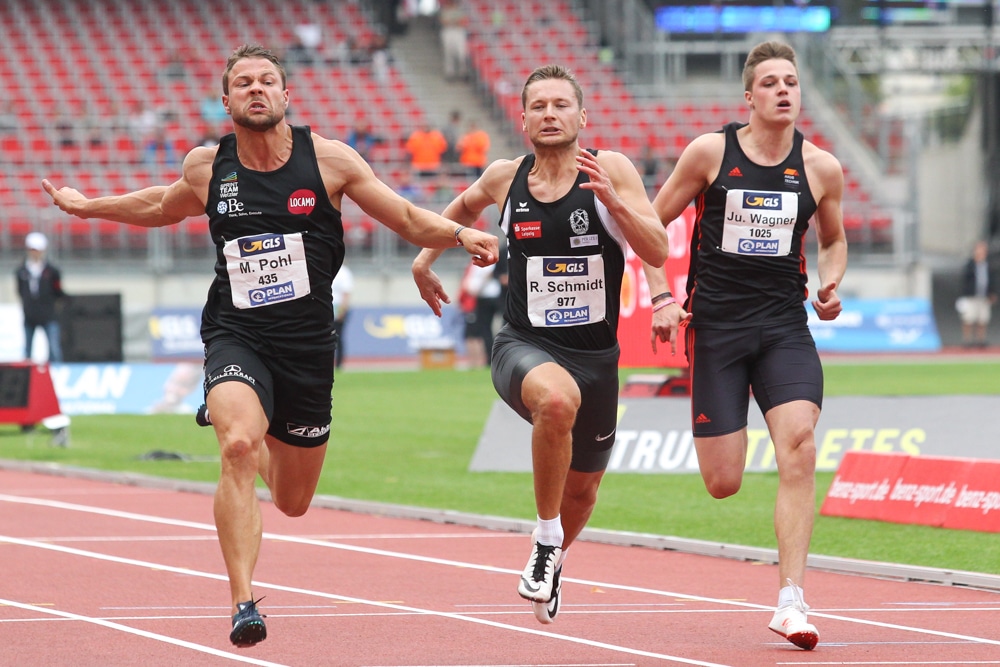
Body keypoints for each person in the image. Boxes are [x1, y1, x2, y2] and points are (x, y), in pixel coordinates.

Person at [42, 43, 498, 648]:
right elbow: (158, 206)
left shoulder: (330, 161)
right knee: (235, 444)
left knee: (293, 500)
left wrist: (462, 232)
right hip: (237, 332)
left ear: (286, 95)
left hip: (308, 345)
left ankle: (252, 433)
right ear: (227, 100)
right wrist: (87, 207)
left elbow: (409, 219)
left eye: (267, 81)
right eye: (243, 83)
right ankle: (242, 602)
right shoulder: (209, 166)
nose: (256, 90)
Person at [412, 64, 669, 624]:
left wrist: (619, 205)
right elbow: (460, 208)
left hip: (597, 356)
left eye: (560, 104)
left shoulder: (611, 169)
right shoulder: (507, 177)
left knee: (585, 491)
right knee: (555, 401)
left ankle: (553, 562)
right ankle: (546, 539)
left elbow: (656, 246)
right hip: (522, 344)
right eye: (538, 106)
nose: (549, 113)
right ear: (523, 118)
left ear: (582, 116)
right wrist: (425, 259)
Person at [643, 40, 848, 651]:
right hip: (718, 330)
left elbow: (834, 241)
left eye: (792, 81)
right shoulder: (710, 153)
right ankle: (728, 420)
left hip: (785, 325)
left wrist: (833, 280)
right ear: (749, 96)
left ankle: (791, 600)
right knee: (723, 480)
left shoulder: (822, 167)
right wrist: (661, 297)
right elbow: (649, 225)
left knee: (799, 445)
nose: (784, 90)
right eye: (771, 83)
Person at [15, 232, 66, 363]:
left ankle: (56, 375)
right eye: (32, 250)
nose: (35, 253)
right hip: (30, 315)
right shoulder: (22, 272)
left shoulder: (52, 271)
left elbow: (57, 290)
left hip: (48, 315)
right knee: (27, 350)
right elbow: (20, 291)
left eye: (37, 250)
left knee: (54, 349)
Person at [956, 240, 997, 348]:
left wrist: (992, 293)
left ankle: (980, 340)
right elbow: (965, 279)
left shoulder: (988, 265)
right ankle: (967, 340)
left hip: (984, 297)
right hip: (971, 296)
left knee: (983, 319)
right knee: (968, 318)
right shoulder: (970, 264)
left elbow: (992, 280)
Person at [438, 0, 469, 81]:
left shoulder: (460, 10)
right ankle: (450, 73)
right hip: (448, 31)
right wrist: (454, 22)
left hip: (459, 31)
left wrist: (454, 22)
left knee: (462, 53)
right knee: (448, 53)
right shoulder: (445, 10)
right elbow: (444, 21)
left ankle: (463, 72)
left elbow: (463, 21)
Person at [331, 262, 354, 367]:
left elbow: (346, 293)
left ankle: (339, 363)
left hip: (337, 306)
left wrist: (342, 311)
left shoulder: (344, 272)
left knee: (338, 336)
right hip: (329, 306)